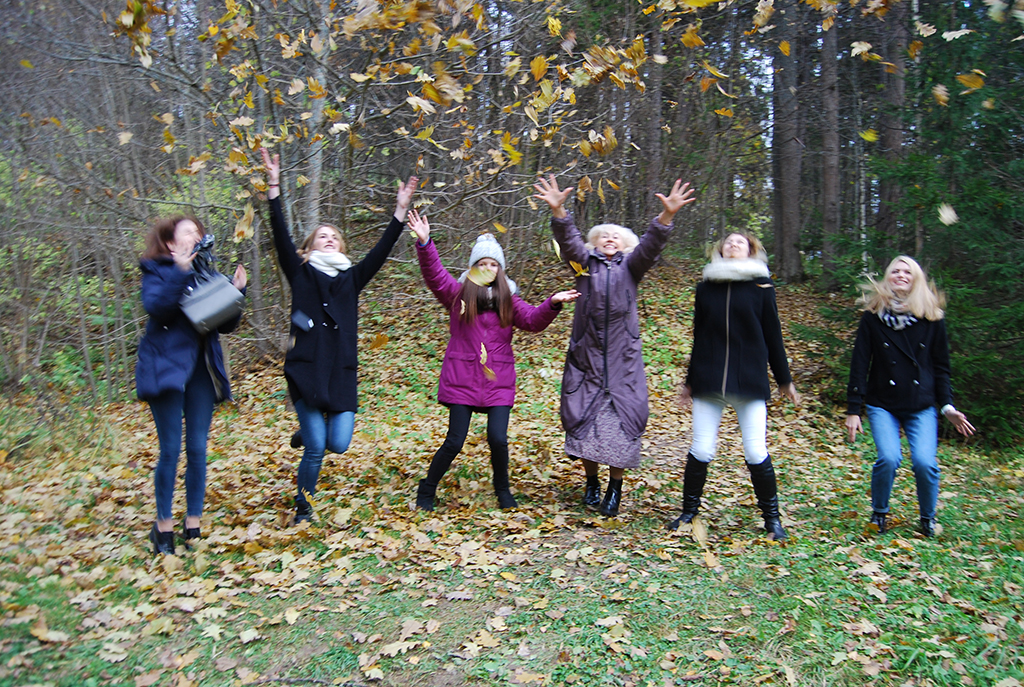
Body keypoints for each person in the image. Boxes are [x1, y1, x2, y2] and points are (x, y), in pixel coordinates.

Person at [261, 148, 417, 523]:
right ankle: (303, 510)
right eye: (322, 236)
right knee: (317, 447)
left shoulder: (351, 278)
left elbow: (380, 252)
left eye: (334, 236)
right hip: (307, 369)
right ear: (310, 246)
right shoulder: (300, 273)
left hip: (341, 372)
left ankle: (306, 432)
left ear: (342, 246)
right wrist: (274, 188)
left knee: (339, 443)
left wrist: (399, 212)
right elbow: (280, 236)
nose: (329, 239)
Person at [532, 175, 695, 517]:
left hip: (623, 367)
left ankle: (615, 488)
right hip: (586, 363)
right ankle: (592, 482)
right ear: (595, 243)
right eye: (604, 235)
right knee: (586, 428)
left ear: (624, 245)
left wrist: (666, 216)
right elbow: (569, 241)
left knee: (620, 431)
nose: (609, 239)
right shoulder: (583, 266)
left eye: (616, 236)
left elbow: (651, 246)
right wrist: (559, 210)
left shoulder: (632, 268)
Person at [408, 211, 579, 510]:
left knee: (498, 438)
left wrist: (551, 303)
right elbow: (435, 275)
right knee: (455, 440)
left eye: (493, 264)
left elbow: (532, 320)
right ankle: (427, 489)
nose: (488, 268)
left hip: (497, 379)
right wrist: (425, 243)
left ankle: (503, 490)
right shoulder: (457, 295)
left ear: (500, 270)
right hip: (461, 377)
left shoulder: (508, 300)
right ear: (472, 269)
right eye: (482, 264)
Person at [668, 232, 799, 540]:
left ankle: (772, 520)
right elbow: (699, 335)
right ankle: (688, 513)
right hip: (709, 380)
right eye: (728, 242)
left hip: (749, 381)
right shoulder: (705, 287)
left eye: (740, 242)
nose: (733, 245)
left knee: (755, 451)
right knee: (701, 449)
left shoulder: (762, 287)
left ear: (751, 251)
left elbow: (773, 335)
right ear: (721, 250)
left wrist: (784, 379)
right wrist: (690, 381)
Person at [136, 216, 247, 555]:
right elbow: (157, 308)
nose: (195, 235)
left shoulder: (207, 273)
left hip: (201, 370)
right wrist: (179, 271)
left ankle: (193, 524)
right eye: (187, 232)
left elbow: (225, 325)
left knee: (198, 448)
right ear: (170, 244)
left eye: (197, 231)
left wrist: (237, 292)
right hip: (165, 370)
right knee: (170, 449)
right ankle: (163, 527)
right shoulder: (156, 271)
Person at [845, 256, 974, 537]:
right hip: (883, 403)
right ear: (887, 278)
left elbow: (941, 367)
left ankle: (928, 518)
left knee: (925, 463)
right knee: (889, 458)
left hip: (921, 404)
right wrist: (854, 409)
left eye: (907, 272)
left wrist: (947, 406)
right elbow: (859, 364)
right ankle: (879, 513)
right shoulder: (872, 317)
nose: (901, 275)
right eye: (895, 271)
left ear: (916, 280)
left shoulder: (932, 317)